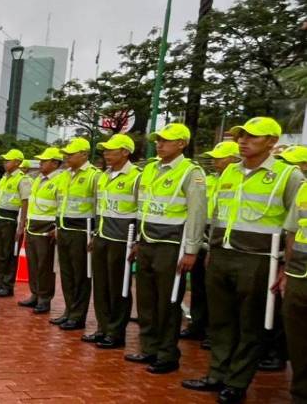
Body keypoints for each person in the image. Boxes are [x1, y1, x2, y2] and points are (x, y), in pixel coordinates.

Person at [183, 117, 302, 402]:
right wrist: (212, 250)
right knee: (221, 321)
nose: (243, 141)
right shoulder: (230, 173)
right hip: (222, 255)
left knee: (250, 324)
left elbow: (294, 226)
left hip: (259, 259)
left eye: (253, 137)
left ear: (272, 142)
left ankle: (237, 382)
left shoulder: (289, 176)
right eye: (241, 136)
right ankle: (217, 373)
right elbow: (219, 215)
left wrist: (285, 266)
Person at [126, 123, 206, 375]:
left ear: (182, 143)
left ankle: (167, 354)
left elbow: (196, 214)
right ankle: (149, 347)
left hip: (172, 245)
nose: (159, 144)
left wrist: (192, 250)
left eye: (166, 140)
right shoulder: (150, 169)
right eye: (158, 140)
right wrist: (138, 240)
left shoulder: (190, 172)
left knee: (167, 302)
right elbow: (144, 208)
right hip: (148, 241)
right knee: (147, 300)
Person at [181, 140, 240, 347]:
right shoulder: (210, 180)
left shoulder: (239, 180)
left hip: (227, 238)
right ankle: (197, 325)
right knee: (199, 285)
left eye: (221, 158)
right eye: (214, 158)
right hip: (204, 234)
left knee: (219, 293)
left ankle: (213, 332)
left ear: (234, 159)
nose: (216, 162)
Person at [84, 134, 139, 349]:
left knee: (118, 287)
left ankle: (116, 332)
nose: (106, 153)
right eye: (104, 150)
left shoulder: (136, 176)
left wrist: (137, 241)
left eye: (111, 150)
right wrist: (95, 234)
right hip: (103, 237)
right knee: (101, 286)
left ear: (125, 152)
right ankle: (103, 327)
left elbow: (140, 210)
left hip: (122, 240)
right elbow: (100, 208)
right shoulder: (104, 176)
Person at [51, 138, 100, 331]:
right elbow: (60, 203)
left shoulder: (93, 175)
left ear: (84, 154)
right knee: (67, 274)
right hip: (64, 229)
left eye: (71, 154)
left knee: (80, 276)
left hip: (81, 232)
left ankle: (78, 315)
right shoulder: (65, 175)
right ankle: (69, 311)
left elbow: (99, 206)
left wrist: (95, 234)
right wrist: (57, 226)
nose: (66, 157)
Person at [276, 145, 307, 403]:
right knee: (297, 340)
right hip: (299, 275)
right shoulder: (304, 190)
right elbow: (292, 232)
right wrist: (286, 269)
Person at [19, 147, 65, 314]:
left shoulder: (60, 180)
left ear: (55, 163)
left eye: (44, 161)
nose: (40, 163)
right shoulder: (38, 179)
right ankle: (35, 293)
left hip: (47, 228)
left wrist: (57, 227)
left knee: (45, 265)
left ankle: (44, 298)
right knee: (33, 263)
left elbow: (62, 206)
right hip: (32, 226)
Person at [0, 149, 30, 298]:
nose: (5, 163)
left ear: (17, 162)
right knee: (1, 252)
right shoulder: (4, 177)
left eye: (8, 160)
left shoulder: (22, 179)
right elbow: (0, 197)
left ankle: (8, 285)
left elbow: (25, 202)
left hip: (11, 220)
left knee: (9, 253)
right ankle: (0, 282)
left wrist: (21, 224)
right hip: (0, 217)